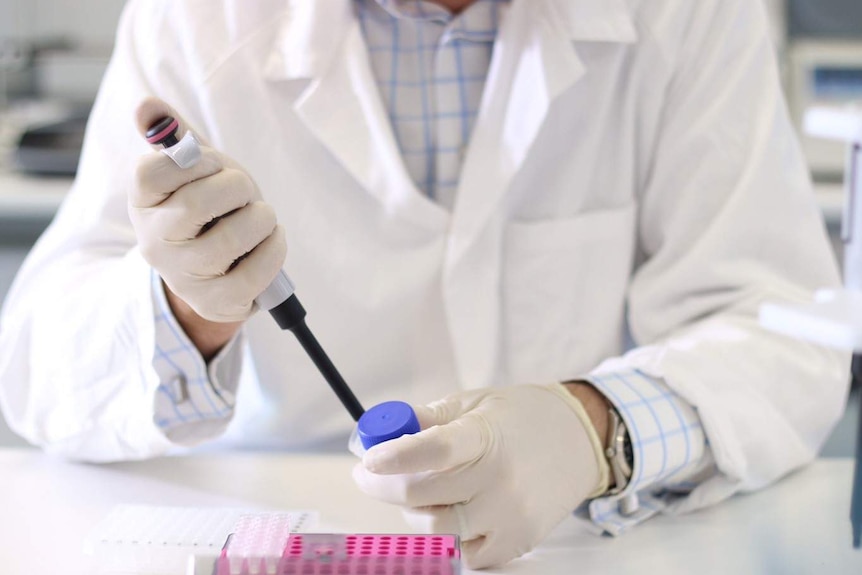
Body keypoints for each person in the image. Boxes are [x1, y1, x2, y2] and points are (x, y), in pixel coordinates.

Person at [0, 0, 850, 568]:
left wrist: (595, 427)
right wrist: (191, 307)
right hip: (265, 534)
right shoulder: (196, 17)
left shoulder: (691, 13)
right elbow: (36, 374)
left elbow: (782, 334)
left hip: (573, 542)